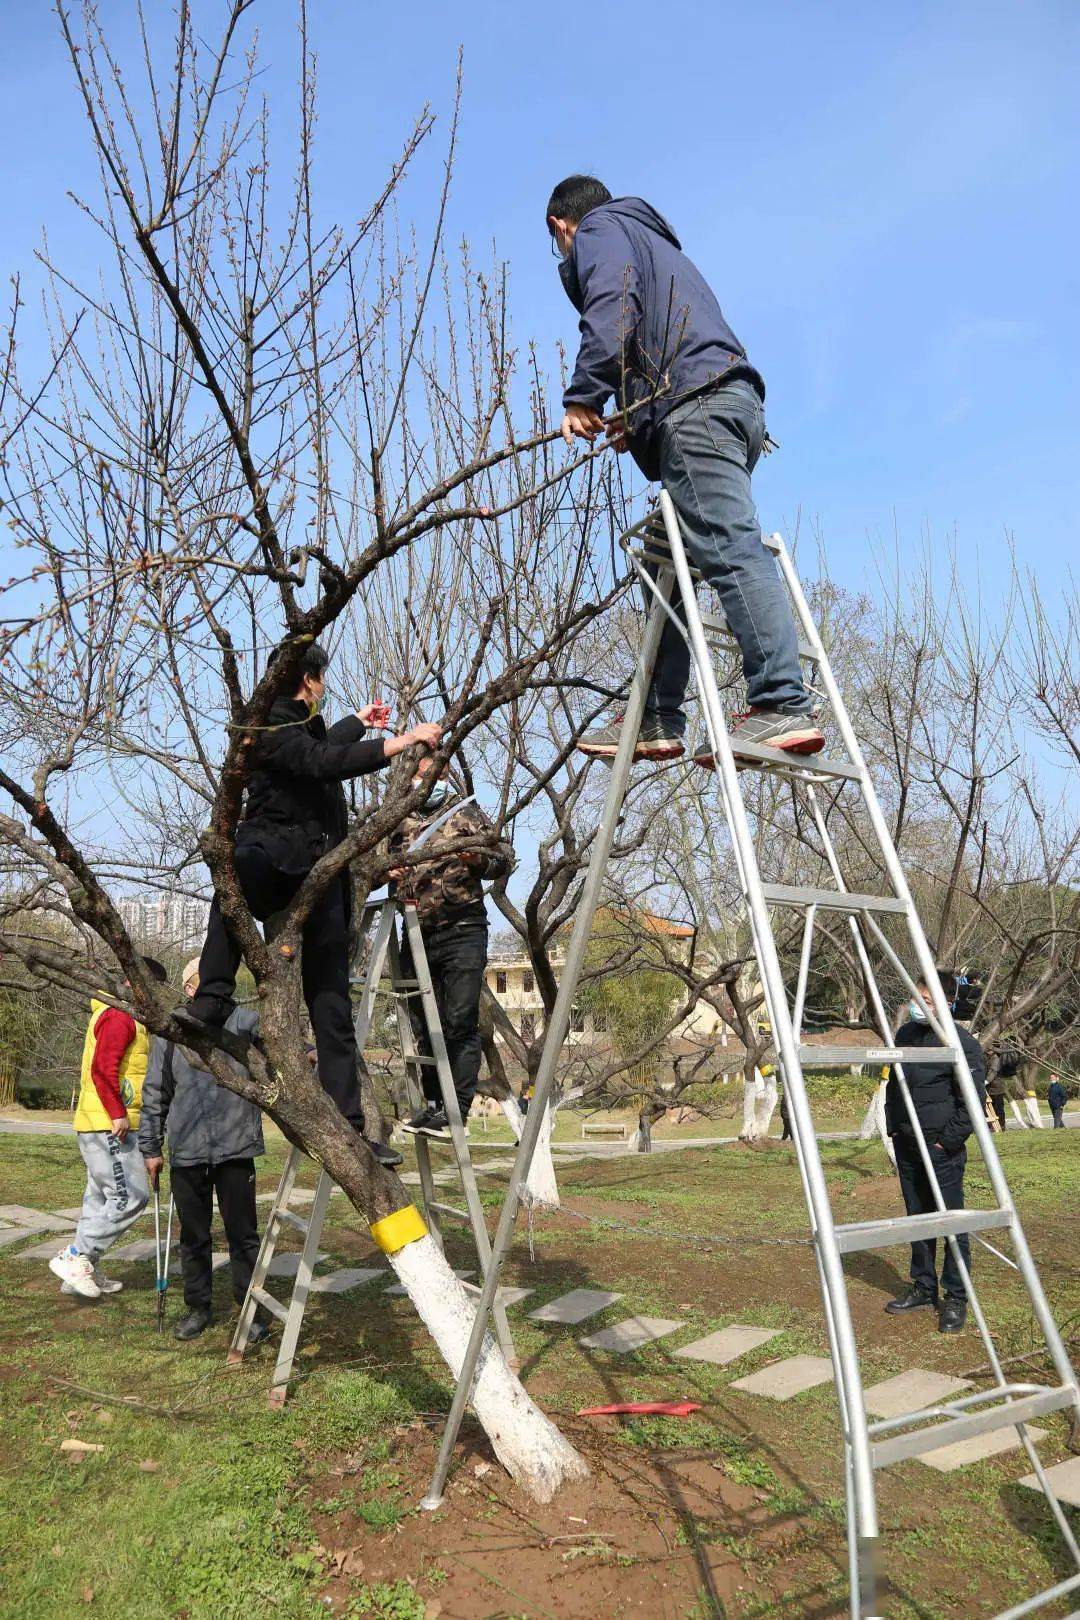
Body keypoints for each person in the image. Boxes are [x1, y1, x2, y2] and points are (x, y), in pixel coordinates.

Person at [546, 175, 824, 763]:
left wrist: (584, 395)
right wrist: (637, 421)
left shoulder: (600, 230)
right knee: (661, 555)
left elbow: (613, 303)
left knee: (729, 545)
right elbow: (661, 339)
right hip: (719, 405)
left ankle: (782, 703)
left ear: (560, 228)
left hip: (700, 408)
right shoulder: (654, 244)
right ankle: (657, 716)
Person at [188, 642, 442, 1165]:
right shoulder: (266, 725)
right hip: (273, 854)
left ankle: (350, 1126)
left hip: (319, 870)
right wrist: (401, 741)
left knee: (332, 1005)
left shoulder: (299, 726)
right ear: (308, 679)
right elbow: (320, 760)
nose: (324, 687)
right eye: (322, 678)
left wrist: (357, 721)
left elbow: (321, 745)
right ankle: (211, 1000)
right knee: (231, 888)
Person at [140, 959, 270, 1342]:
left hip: (235, 1147)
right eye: (205, 982)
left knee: (244, 1236)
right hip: (187, 1151)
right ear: (190, 988)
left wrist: (311, 1050)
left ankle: (251, 1310)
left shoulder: (245, 1022)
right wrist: (150, 1147)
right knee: (194, 1237)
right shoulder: (171, 1032)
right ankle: (198, 1307)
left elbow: (283, 1045)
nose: (216, 989)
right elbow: (155, 1093)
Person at [389, 757, 514, 1134]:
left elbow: (504, 858)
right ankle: (430, 1104)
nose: (427, 779)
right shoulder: (399, 820)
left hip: (462, 927)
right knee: (420, 1021)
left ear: (444, 774)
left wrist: (478, 860)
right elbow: (373, 867)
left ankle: (455, 1109)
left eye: (434, 773)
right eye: (420, 773)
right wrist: (387, 870)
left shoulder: (466, 814)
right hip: (416, 931)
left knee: (459, 1019)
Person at [49, 958, 167, 1300]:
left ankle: (82, 1270)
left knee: (99, 1198)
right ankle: (75, 1257)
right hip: (109, 1125)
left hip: (99, 1122)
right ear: (135, 983)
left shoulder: (117, 1012)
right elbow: (104, 1069)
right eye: (153, 989)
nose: (155, 998)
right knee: (130, 1195)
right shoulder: (120, 1015)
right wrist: (117, 1114)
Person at [884, 972, 986, 1333]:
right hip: (908, 1145)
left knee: (951, 1224)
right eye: (917, 998)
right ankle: (923, 1287)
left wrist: (946, 1143)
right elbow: (895, 1088)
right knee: (918, 1219)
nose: (920, 1006)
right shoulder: (905, 1036)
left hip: (942, 1151)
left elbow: (971, 1103)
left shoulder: (961, 1044)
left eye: (928, 1001)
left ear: (945, 1004)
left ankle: (956, 1297)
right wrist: (894, 1129)